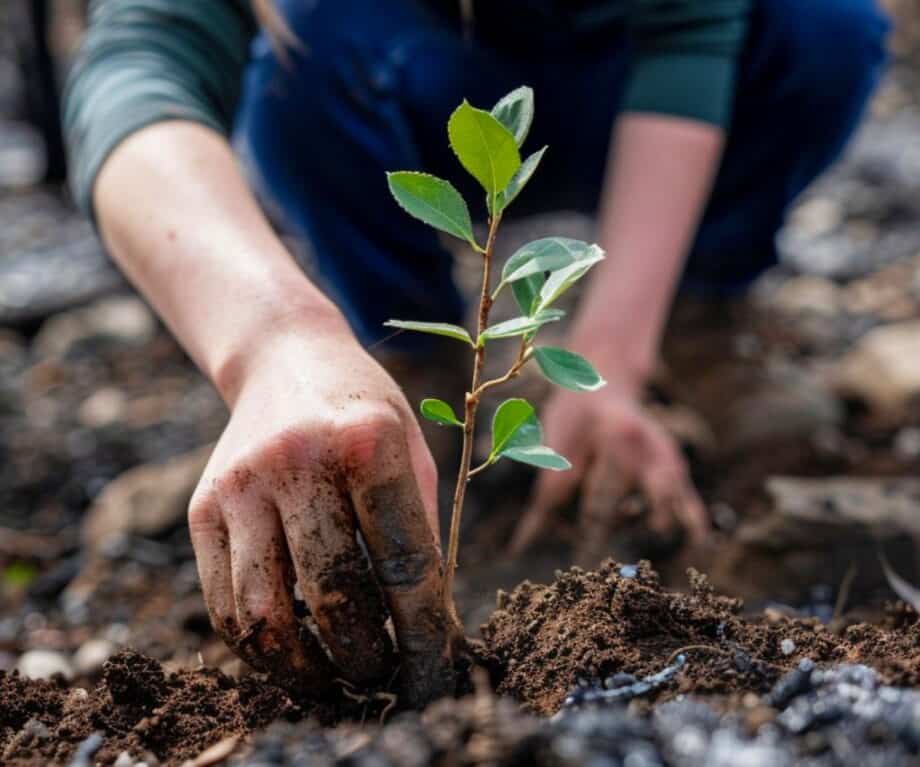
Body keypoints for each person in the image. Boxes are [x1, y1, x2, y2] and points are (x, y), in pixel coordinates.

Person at [63, 0, 889, 703]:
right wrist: (274, 339)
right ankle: (397, 348)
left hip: (633, 77)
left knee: (824, 23)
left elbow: (692, 29)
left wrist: (612, 361)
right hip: (396, 80)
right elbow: (135, 64)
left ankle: (699, 311)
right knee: (302, 41)